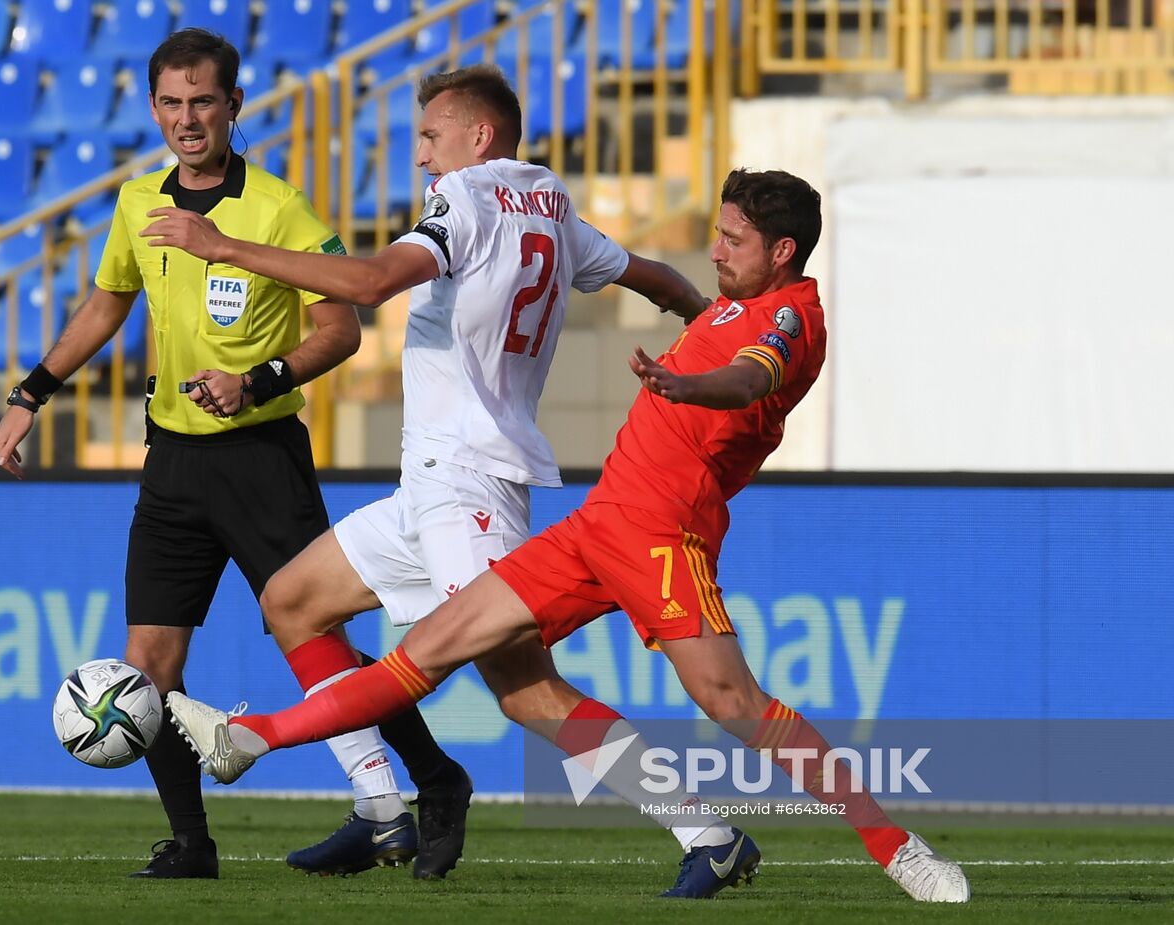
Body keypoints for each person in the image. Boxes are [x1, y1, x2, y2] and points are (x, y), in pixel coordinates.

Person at [168, 168, 973, 903]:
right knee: (436, 647)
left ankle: (897, 846)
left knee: (735, 703)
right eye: (719, 232)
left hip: (665, 537)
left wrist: (685, 382)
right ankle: (250, 736)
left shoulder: (795, 316)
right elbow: (678, 292)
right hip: (596, 525)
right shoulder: (732, 299)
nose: (716, 248)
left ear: (784, 250)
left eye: (733, 240)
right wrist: (681, 308)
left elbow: (750, 378)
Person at [138, 63, 734, 881]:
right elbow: (654, 279)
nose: (421, 158)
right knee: (292, 601)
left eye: (429, 136)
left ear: (477, 136)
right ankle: (383, 807)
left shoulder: (472, 196)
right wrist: (717, 327)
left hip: (471, 487)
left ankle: (707, 831)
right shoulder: (551, 204)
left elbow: (375, 283)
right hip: (429, 487)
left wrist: (223, 245)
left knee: (527, 692)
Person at [0, 29, 465, 880]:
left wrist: (255, 379)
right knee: (150, 664)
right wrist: (31, 394)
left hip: (261, 458)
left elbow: (340, 328)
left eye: (203, 101)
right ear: (153, 109)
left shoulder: (277, 208)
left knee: (313, 637)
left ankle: (426, 784)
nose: (187, 119)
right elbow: (105, 305)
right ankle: (192, 843)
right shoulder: (140, 201)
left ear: (234, 106)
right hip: (171, 462)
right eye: (171, 103)